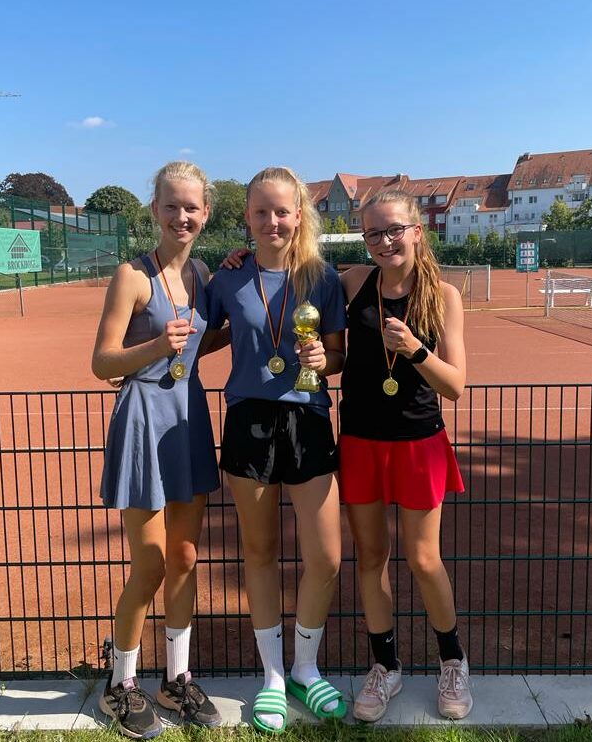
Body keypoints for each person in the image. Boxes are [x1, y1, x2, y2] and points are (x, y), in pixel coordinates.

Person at [205, 166, 347, 734]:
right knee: (259, 554)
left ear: (299, 215)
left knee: (326, 558)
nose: (272, 222)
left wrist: (323, 363)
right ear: (247, 217)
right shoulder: (227, 278)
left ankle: (305, 670)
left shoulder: (323, 278)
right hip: (249, 422)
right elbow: (200, 333)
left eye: (282, 211)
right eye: (261, 212)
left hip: (309, 418)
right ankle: (270, 676)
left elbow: (336, 355)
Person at [92, 161, 224, 738]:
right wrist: (151, 346)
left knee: (186, 559)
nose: (181, 215)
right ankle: (119, 685)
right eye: (171, 205)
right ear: (155, 210)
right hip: (143, 419)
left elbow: (205, 339)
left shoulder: (203, 273)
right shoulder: (133, 276)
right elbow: (102, 362)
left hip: (188, 418)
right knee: (148, 565)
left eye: (191, 206)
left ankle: (176, 679)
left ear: (206, 213)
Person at [339, 189, 471, 722]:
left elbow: (456, 385)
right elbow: (292, 264)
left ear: (418, 230)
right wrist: (238, 257)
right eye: (373, 233)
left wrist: (415, 349)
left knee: (422, 558)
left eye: (394, 229)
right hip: (361, 442)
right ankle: (386, 667)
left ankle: (453, 661)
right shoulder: (351, 282)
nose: (384, 241)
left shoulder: (443, 296)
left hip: (419, 442)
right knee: (371, 559)